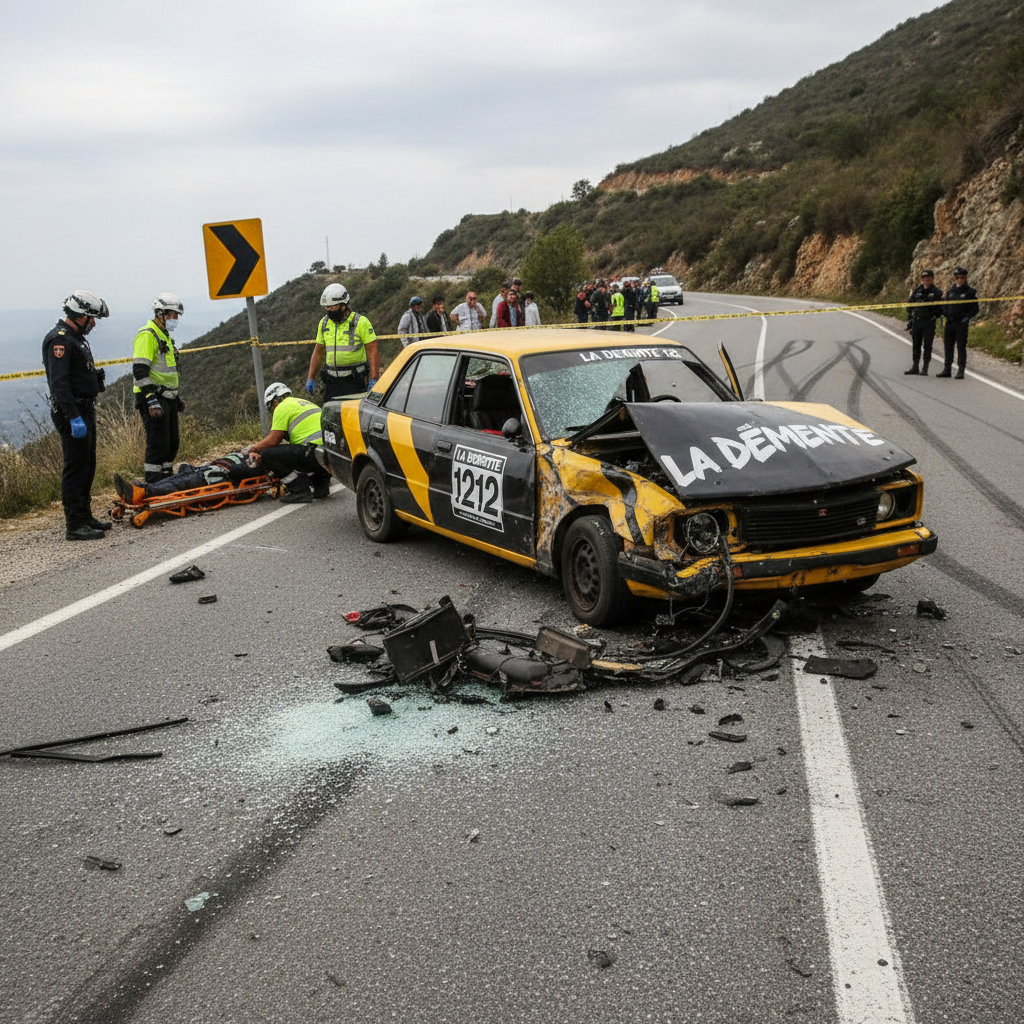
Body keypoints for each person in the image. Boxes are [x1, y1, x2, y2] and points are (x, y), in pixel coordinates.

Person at [42, 290, 111, 541]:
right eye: (91, 318)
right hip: (72, 412)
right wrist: (73, 416)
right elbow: (59, 385)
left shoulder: (76, 337)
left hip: (84, 408)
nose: (94, 323)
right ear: (79, 315)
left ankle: (86, 516)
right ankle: (74, 524)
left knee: (88, 464)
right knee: (76, 467)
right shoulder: (60, 340)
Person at [246, 383, 333, 503]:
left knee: (268, 455)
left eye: (271, 407)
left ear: (274, 401)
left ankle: (299, 490)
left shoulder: (282, 407)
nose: (272, 411)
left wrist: (254, 449)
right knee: (300, 450)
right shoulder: (304, 403)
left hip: (313, 454)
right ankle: (321, 485)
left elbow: (273, 440)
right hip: (329, 453)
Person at [133, 292, 184, 483]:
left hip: (168, 397)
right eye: (173, 315)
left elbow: (169, 372)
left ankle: (166, 478)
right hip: (152, 397)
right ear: (161, 313)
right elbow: (140, 370)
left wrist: (176, 398)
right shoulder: (148, 335)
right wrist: (151, 400)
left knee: (171, 443)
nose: (175, 319)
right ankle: (154, 480)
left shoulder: (165, 335)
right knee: (158, 443)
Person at [305, 283, 379, 399]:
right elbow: (318, 352)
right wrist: (311, 377)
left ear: (343, 306)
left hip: (355, 382)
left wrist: (374, 378)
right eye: (327, 307)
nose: (328, 310)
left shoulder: (360, 322)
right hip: (332, 383)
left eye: (331, 307)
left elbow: (372, 350)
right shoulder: (324, 323)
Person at [114, 452, 256, 503]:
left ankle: (143, 492)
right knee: (177, 477)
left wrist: (250, 462)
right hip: (205, 470)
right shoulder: (244, 453)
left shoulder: (254, 462)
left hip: (214, 478)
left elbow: (239, 473)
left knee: (179, 484)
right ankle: (139, 488)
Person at [937, 267, 979, 379]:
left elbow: (975, 309)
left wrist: (967, 317)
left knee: (961, 347)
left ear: (965, 278)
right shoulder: (950, 291)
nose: (959, 279)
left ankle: (961, 370)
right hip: (950, 323)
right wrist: (945, 313)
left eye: (961, 277)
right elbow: (945, 305)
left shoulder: (970, 292)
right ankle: (947, 369)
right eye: (957, 277)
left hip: (961, 323)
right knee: (948, 346)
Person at [904, 269, 944, 375]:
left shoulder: (937, 292)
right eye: (924, 279)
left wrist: (933, 313)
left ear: (932, 279)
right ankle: (915, 367)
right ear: (922, 280)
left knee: (927, 345)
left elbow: (941, 309)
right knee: (916, 345)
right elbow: (910, 305)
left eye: (928, 279)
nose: (926, 281)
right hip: (917, 322)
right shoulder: (917, 291)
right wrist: (910, 316)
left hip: (929, 322)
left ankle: (925, 368)